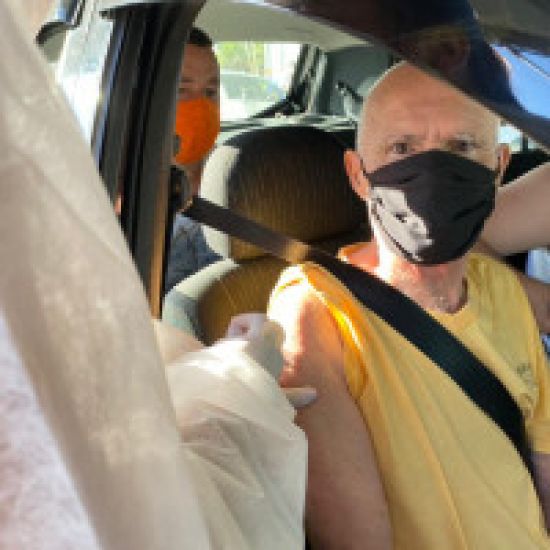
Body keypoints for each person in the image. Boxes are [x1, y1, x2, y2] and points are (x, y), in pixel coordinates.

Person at [268, 62, 550, 549]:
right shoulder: (319, 310)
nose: (434, 172)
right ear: (358, 174)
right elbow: (357, 539)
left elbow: (544, 466)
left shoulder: (504, 291)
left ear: (499, 168)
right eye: (402, 148)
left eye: (462, 147)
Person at [165, 27, 222, 293]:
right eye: (181, 90)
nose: (200, 106)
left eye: (210, 92)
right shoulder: (116, 191)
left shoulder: (239, 180)